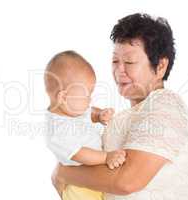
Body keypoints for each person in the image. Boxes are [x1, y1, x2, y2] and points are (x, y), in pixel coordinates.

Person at [52, 13, 188, 200]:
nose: (119, 70)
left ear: (160, 66)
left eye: (129, 62)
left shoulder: (166, 105)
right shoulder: (128, 117)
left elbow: (127, 181)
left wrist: (63, 172)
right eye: (115, 61)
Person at [44, 50, 126, 200]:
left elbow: (89, 112)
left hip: (92, 177)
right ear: (63, 97)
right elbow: (80, 154)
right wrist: (106, 157)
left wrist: (99, 115)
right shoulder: (58, 131)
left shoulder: (72, 109)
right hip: (79, 186)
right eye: (87, 94)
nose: (90, 99)